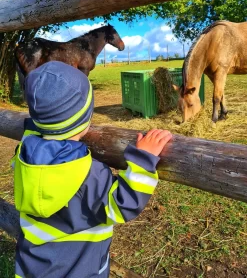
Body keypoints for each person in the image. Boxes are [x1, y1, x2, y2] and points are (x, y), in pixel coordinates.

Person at [13, 61, 172, 278]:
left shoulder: (24, 154)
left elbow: (35, 129)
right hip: (78, 270)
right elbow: (121, 206)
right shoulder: (88, 173)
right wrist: (144, 158)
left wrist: (39, 121)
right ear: (86, 117)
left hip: (32, 267)